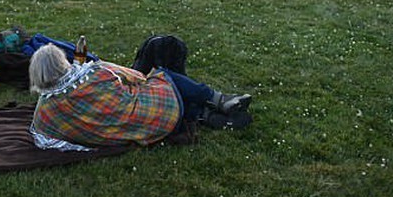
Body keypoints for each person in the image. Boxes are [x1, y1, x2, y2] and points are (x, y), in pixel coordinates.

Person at [29, 44, 252, 150]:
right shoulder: (94, 72)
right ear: (62, 62)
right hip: (150, 116)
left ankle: (210, 118)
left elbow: (48, 139)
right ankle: (219, 99)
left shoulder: (44, 112)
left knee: (165, 94)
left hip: (124, 134)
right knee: (164, 77)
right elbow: (138, 76)